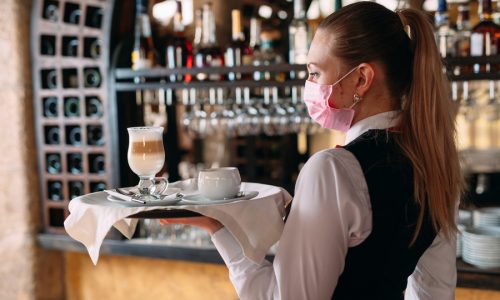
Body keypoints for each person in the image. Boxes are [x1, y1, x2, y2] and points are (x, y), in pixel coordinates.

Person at [161, 2, 463, 299]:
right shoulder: (437, 164)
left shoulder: (333, 169)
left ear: (361, 78)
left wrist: (220, 227)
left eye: (315, 73)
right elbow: (434, 291)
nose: (310, 85)